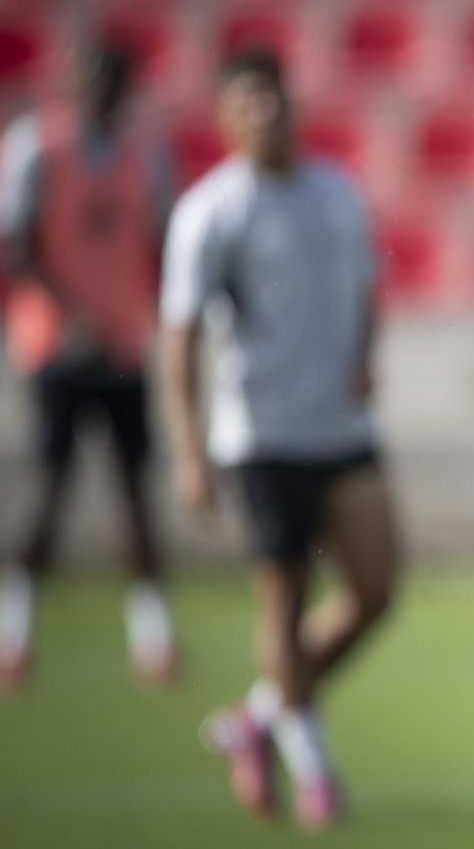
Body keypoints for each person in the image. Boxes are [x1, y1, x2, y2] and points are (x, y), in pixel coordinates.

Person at [158, 50, 398, 831]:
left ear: (291, 104)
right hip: (261, 438)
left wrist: (365, 354)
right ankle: (315, 772)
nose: (264, 115)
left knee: (375, 589)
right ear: (226, 119)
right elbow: (179, 337)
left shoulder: (335, 190)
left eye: (273, 101)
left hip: (342, 426)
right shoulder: (211, 212)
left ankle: (256, 720)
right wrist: (190, 450)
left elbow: (366, 284)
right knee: (285, 603)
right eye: (247, 105)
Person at [0, 42, 176, 692]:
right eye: (91, 76)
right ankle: (14, 633)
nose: (100, 90)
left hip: (124, 345)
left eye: (111, 78)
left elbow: (159, 241)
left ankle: (153, 638)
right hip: (56, 349)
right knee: (48, 490)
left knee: (136, 495)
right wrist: (70, 316)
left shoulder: (142, 157)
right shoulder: (36, 149)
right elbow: (19, 246)